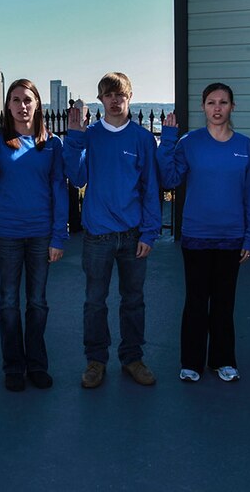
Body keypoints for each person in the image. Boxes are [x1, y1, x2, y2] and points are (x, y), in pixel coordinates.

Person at [157, 83, 250, 383]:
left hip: (232, 238)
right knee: (195, 301)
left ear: (232, 106)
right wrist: (167, 140)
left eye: (223, 102)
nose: (217, 108)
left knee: (223, 303)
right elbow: (169, 178)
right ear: (203, 107)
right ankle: (191, 362)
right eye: (211, 102)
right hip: (197, 236)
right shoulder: (189, 143)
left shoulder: (245, 147)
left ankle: (223, 360)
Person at [64, 72, 162, 388]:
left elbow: (150, 188)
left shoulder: (143, 139)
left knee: (133, 301)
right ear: (101, 100)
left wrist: (149, 232)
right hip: (98, 236)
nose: (115, 100)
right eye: (108, 95)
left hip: (133, 235)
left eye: (120, 95)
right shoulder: (89, 135)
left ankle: (133, 358)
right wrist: (74, 139)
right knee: (95, 302)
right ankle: (96, 361)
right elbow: (77, 178)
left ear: (129, 97)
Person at [0, 79, 69, 392]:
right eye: (15, 100)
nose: (22, 105)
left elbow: (59, 189)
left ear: (37, 104)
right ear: (8, 106)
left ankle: (37, 365)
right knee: (9, 303)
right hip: (8, 234)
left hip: (41, 234)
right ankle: (13, 367)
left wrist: (58, 236)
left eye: (27, 99)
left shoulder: (51, 143)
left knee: (37, 303)